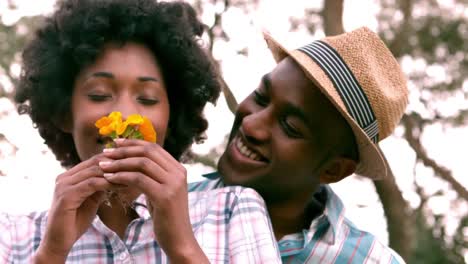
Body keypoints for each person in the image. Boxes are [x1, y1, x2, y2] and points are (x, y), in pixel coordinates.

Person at [0, 0, 280, 263]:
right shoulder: (13, 236)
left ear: (171, 117)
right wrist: (50, 254)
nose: (124, 115)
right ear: (63, 114)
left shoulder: (233, 210)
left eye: (147, 99)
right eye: (99, 95)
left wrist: (183, 247)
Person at [189, 27, 409, 263]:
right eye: (261, 97)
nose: (252, 125)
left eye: (291, 126)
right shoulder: (161, 208)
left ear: (334, 169)